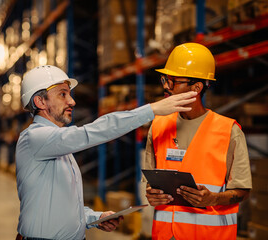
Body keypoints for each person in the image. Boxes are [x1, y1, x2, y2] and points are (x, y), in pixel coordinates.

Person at [15, 64, 198, 240]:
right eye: (63, 94)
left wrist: (95, 218)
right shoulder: (35, 138)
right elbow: (93, 132)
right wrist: (152, 110)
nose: (72, 101)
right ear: (40, 101)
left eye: (69, 94)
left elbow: (60, 204)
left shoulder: (57, 145)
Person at [144, 43, 252, 240]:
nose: (166, 87)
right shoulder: (158, 126)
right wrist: (152, 194)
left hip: (210, 235)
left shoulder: (229, 131)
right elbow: (149, 184)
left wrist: (214, 198)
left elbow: (242, 191)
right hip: (165, 236)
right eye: (164, 80)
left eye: (173, 81)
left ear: (196, 87)